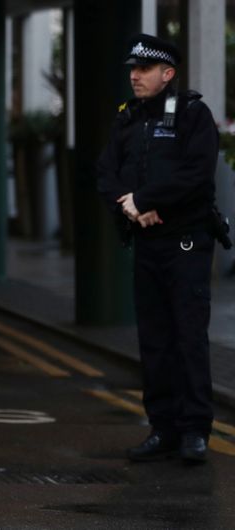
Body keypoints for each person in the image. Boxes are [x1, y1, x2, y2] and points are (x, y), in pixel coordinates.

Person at [97, 33, 220, 464]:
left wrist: (146, 200)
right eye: (133, 69)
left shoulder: (192, 114)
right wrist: (130, 206)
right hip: (147, 241)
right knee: (154, 339)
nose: (135, 76)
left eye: (144, 69)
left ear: (167, 74)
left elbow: (197, 174)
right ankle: (162, 428)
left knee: (188, 337)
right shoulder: (128, 118)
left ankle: (194, 431)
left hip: (186, 241)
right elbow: (106, 173)